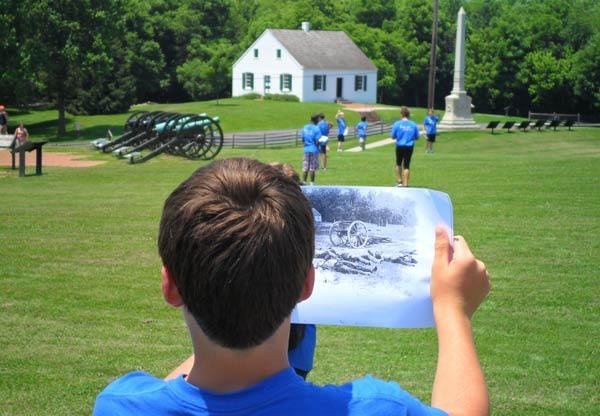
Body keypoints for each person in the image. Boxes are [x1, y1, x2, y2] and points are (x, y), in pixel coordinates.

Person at [94, 157, 490, 415]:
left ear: (170, 287)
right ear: (308, 285)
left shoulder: (120, 406)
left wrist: (231, 294)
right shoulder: (375, 408)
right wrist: (453, 312)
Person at [390, 106, 420, 187]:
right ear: (408, 114)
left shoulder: (397, 124)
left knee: (398, 163)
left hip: (399, 146)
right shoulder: (413, 124)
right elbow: (417, 137)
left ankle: (399, 182)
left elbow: (392, 136)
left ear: (401, 114)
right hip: (409, 146)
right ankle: (406, 184)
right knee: (406, 165)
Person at [301, 114, 321, 185]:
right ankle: (312, 183)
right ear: (316, 120)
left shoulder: (305, 127)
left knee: (305, 166)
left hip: (306, 149)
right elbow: (317, 141)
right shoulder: (316, 129)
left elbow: (303, 139)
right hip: (314, 149)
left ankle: (304, 181)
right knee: (312, 167)